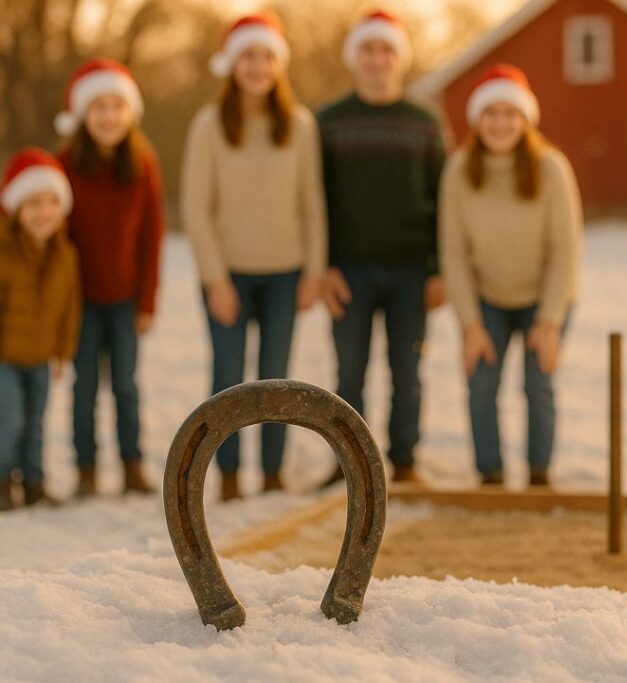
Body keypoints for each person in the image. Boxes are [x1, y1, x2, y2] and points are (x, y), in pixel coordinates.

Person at [181, 13, 327, 501]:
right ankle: (224, 477)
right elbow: (196, 208)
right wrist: (215, 279)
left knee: (276, 376)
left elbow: (312, 204)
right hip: (229, 274)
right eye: (248, 56)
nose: (257, 66)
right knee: (227, 378)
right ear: (232, 64)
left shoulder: (300, 125)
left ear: (278, 65)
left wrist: (313, 269)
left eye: (266, 57)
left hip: (285, 272)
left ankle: (270, 474)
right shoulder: (209, 124)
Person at [318, 10, 446, 486]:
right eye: (368, 50)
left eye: (387, 50)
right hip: (348, 269)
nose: (378, 60)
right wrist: (324, 265)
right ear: (355, 59)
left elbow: (443, 200)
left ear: (400, 59)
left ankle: (405, 462)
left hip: (411, 269)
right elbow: (316, 201)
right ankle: (347, 465)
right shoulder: (329, 121)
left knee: (406, 372)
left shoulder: (425, 121)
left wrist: (438, 269)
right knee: (349, 374)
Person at [440, 64, 582, 487]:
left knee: (537, 386)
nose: (500, 123)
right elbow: (454, 254)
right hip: (486, 298)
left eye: (510, 113)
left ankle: (540, 476)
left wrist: (549, 321)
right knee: (481, 386)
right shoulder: (460, 171)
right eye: (491, 114)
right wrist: (469, 325)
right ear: (477, 120)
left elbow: (566, 251)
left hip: (545, 297)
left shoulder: (551, 169)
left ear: (525, 119)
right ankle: (491, 477)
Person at [56, 58, 165, 497]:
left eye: (116, 106)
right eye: (98, 107)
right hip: (81, 299)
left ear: (129, 113)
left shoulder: (142, 164)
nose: (108, 116)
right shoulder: (65, 164)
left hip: (124, 299)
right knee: (84, 389)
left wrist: (147, 301)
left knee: (125, 384)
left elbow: (152, 237)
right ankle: (85, 470)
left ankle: (132, 463)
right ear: (83, 114)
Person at [0, 148, 81, 510]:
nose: (42, 212)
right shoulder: (4, 251)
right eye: (33, 204)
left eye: (50, 202)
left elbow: (69, 308)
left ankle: (33, 481)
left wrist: (64, 351)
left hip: (41, 356)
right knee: (10, 421)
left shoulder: (65, 256)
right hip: (6, 357)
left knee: (36, 423)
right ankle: (3, 482)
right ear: (16, 209)